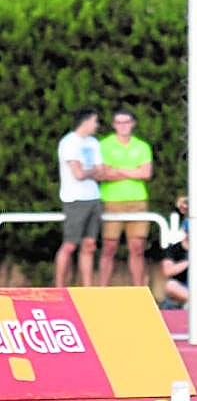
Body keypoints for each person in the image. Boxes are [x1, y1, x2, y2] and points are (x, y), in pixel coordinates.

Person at [98, 109, 153, 286]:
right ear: (114, 125)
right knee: (109, 247)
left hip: (137, 201)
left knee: (137, 248)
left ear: (133, 124)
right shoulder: (104, 145)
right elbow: (104, 173)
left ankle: (138, 290)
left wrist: (118, 170)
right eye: (119, 122)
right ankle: (102, 290)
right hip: (111, 201)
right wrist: (133, 171)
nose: (123, 126)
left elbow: (146, 173)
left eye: (127, 122)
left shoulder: (142, 146)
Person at [54, 108, 103, 287]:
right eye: (95, 121)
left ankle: (87, 288)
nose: (97, 125)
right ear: (86, 121)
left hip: (93, 197)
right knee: (70, 245)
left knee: (89, 244)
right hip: (75, 199)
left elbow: (100, 171)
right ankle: (59, 286)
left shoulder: (93, 143)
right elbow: (78, 174)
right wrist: (91, 171)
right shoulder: (69, 143)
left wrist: (89, 171)